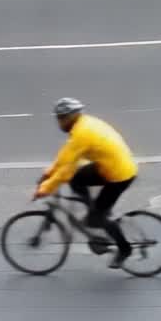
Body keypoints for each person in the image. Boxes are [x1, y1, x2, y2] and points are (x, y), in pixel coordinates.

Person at [34, 97, 137, 268]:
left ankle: (124, 248)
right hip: (110, 165)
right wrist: (48, 174)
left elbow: (65, 171)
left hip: (119, 174)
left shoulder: (82, 134)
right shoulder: (83, 124)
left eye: (60, 118)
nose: (59, 122)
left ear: (69, 117)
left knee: (97, 217)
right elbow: (65, 157)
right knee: (77, 178)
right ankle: (94, 211)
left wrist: (44, 189)